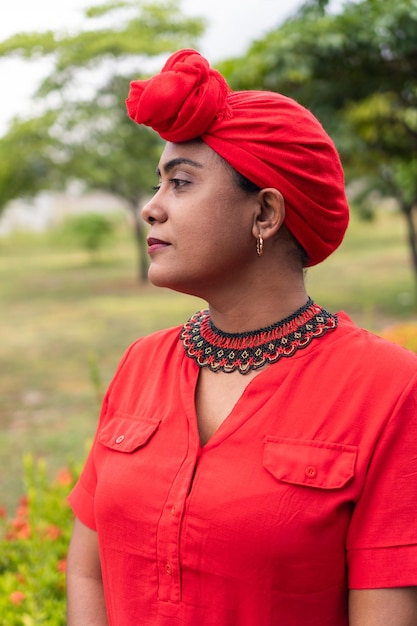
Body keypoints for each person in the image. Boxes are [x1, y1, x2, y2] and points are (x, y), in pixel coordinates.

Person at [66, 49, 417, 626]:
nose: (151, 210)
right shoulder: (142, 363)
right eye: (158, 184)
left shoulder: (386, 388)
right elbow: (87, 567)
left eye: (180, 183)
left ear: (266, 214)